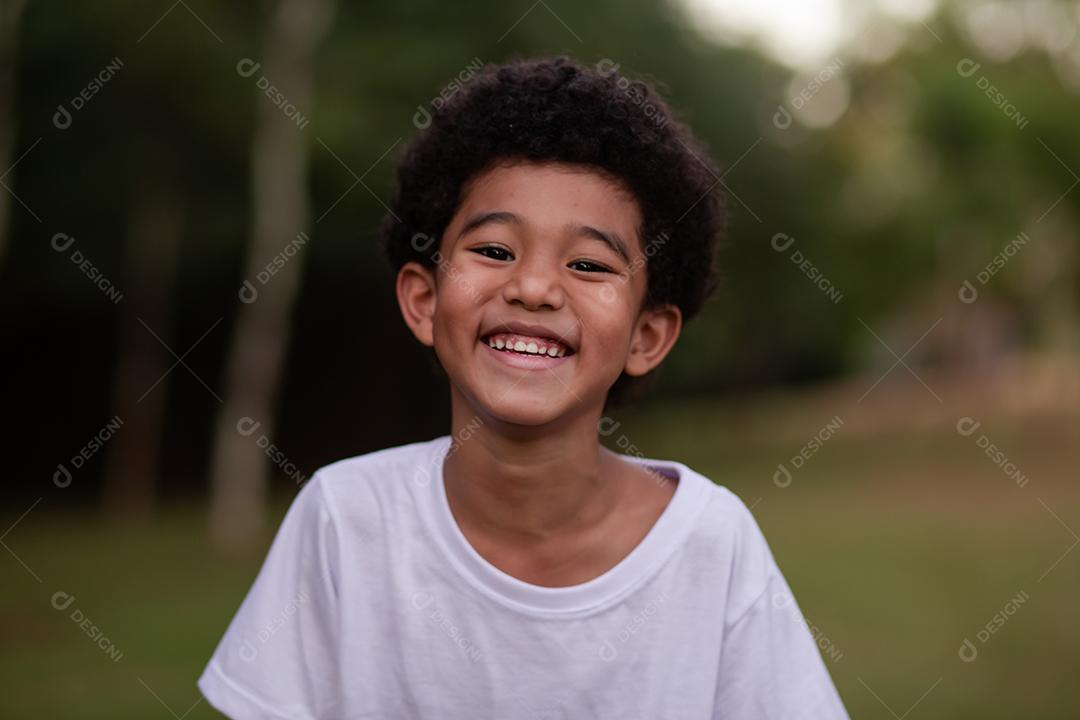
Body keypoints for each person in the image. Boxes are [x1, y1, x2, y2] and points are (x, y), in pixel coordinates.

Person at [197, 54, 850, 719]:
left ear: (646, 336)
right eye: (494, 251)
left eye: (589, 264)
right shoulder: (346, 518)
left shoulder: (712, 542)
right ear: (424, 300)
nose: (534, 288)